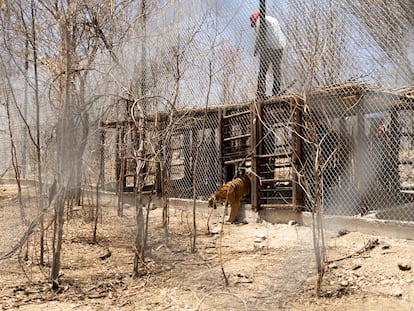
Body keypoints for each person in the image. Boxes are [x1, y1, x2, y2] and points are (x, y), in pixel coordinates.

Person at [250, 12, 287, 99]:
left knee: (263, 70)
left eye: (253, 24)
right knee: (276, 68)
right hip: (280, 46)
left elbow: (259, 36)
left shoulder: (260, 21)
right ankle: (276, 91)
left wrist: (256, 49)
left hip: (268, 47)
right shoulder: (274, 19)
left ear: (254, 19)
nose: (254, 26)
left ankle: (260, 93)